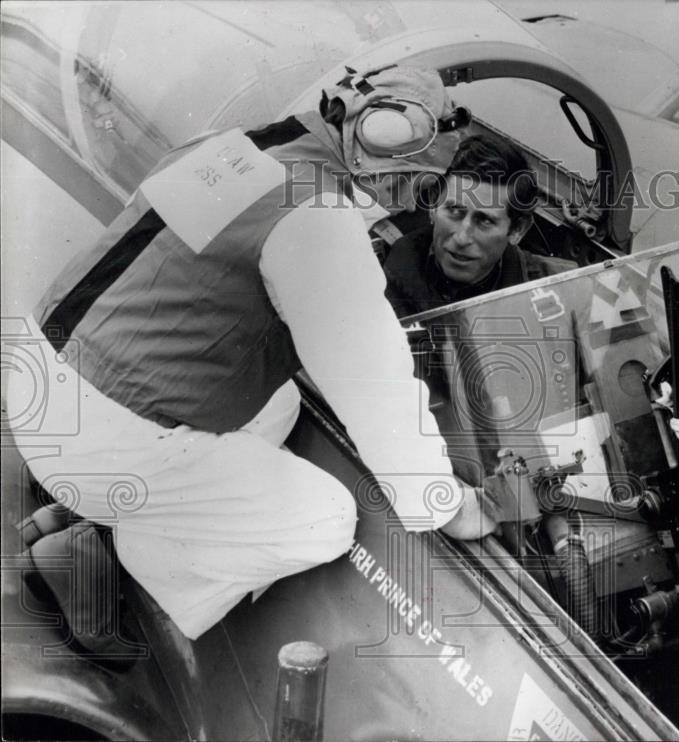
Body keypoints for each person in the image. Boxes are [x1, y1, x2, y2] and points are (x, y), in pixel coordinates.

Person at [7, 65, 497, 650]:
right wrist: (445, 505)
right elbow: (374, 383)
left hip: (40, 380)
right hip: (99, 442)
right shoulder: (316, 217)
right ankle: (116, 568)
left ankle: (92, 512)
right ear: (382, 137)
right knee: (328, 518)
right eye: (415, 179)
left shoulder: (238, 147)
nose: (409, 199)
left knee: (279, 402)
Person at [382, 134, 576, 319]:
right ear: (433, 205)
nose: (462, 238)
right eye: (454, 211)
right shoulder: (386, 273)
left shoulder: (563, 286)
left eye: (485, 221)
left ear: (518, 230)